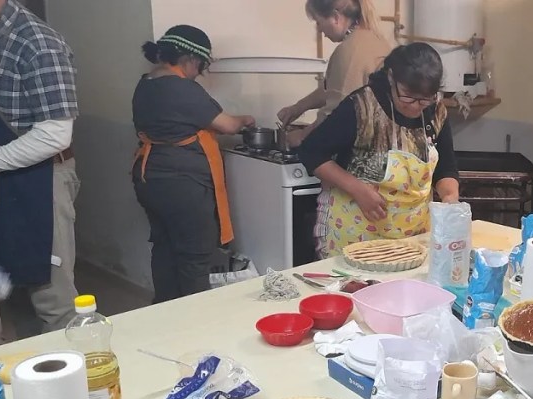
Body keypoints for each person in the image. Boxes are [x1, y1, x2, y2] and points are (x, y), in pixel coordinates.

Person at [295, 42, 459, 257]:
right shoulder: (362, 106)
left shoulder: (435, 110)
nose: (415, 106)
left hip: (412, 238)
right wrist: (358, 189)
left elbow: (446, 168)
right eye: (408, 96)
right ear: (391, 77)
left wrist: (450, 199)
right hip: (356, 234)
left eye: (425, 99)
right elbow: (311, 152)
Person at [132, 25, 256, 303]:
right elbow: (226, 124)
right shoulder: (181, 88)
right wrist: (246, 119)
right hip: (183, 185)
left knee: (165, 249)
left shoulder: (145, 83)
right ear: (190, 58)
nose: (198, 73)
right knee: (195, 256)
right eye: (201, 66)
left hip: (149, 177)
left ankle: (163, 311)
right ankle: (193, 321)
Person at [0, 0, 79, 340]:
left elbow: (54, 135)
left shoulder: (36, 42)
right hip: (3, 173)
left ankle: (70, 385)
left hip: (42, 179)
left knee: (52, 297)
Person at [277, 0, 390, 147]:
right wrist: (298, 107)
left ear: (336, 17)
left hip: (365, 149)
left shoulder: (350, 51)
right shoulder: (374, 39)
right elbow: (333, 88)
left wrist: (302, 136)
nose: (319, 31)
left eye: (318, 22)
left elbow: (336, 112)